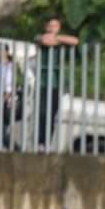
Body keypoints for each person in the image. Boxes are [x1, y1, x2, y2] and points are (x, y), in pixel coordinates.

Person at [34, 17, 78, 150]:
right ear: (46, 27)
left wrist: (57, 38)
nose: (53, 28)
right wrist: (57, 39)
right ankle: (40, 142)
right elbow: (45, 41)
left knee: (52, 114)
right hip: (43, 82)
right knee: (42, 114)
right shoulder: (38, 37)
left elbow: (75, 41)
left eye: (56, 26)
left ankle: (47, 143)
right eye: (51, 26)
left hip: (56, 84)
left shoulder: (60, 40)